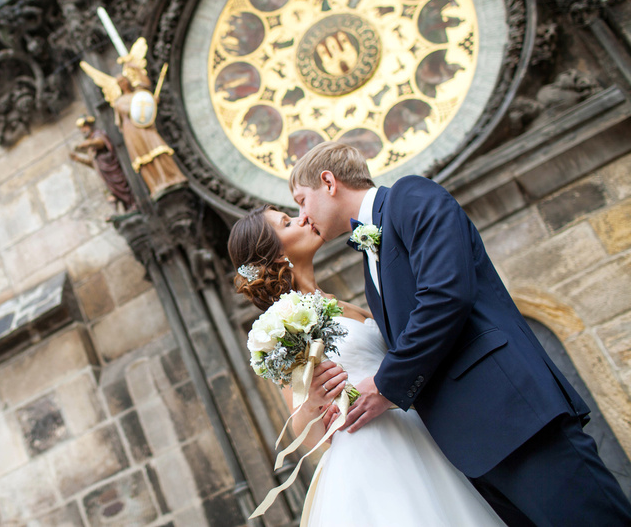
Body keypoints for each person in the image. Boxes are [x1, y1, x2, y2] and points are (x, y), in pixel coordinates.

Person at [289, 141, 631, 526]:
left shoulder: (411, 195)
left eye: (302, 200)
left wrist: (384, 386)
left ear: (328, 181)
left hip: (513, 415)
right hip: (470, 450)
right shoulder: (370, 264)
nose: (303, 216)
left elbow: (446, 295)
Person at [229, 204, 506, 525]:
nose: (304, 217)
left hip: (419, 434)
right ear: (276, 254)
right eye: (288, 222)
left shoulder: (341, 303)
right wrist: (314, 402)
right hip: (371, 450)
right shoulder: (283, 324)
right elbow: (304, 429)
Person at [69, 115, 136, 214]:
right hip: (106, 175)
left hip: (113, 170)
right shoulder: (91, 144)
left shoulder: (97, 134)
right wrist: (78, 159)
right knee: (112, 193)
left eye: (84, 127)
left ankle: (133, 203)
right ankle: (124, 208)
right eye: (81, 129)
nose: (82, 130)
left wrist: (86, 144)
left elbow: (100, 143)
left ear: (90, 126)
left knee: (123, 188)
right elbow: (94, 164)